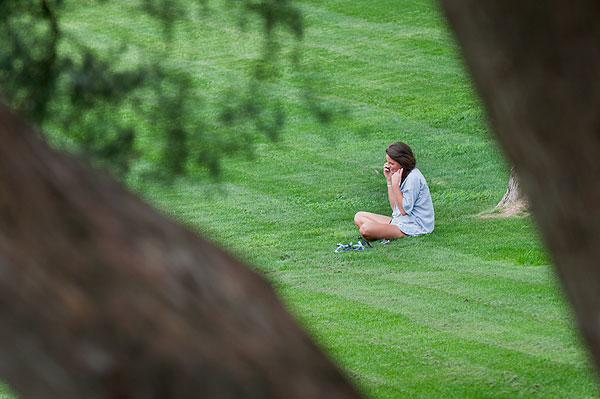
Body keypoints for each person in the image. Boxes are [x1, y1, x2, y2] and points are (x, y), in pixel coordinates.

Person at [354, 142, 434, 241]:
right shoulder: (401, 174)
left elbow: (404, 211)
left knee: (365, 229)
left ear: (403, 162)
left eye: (392, 163)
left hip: (414, 226)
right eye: (387, 162)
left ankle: (395, 234)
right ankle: (384, 232)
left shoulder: (413, 178)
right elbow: (395, 208)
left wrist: (395, 185)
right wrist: (389, 181)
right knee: (359, 216)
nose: (388, 166)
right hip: (401, 221)